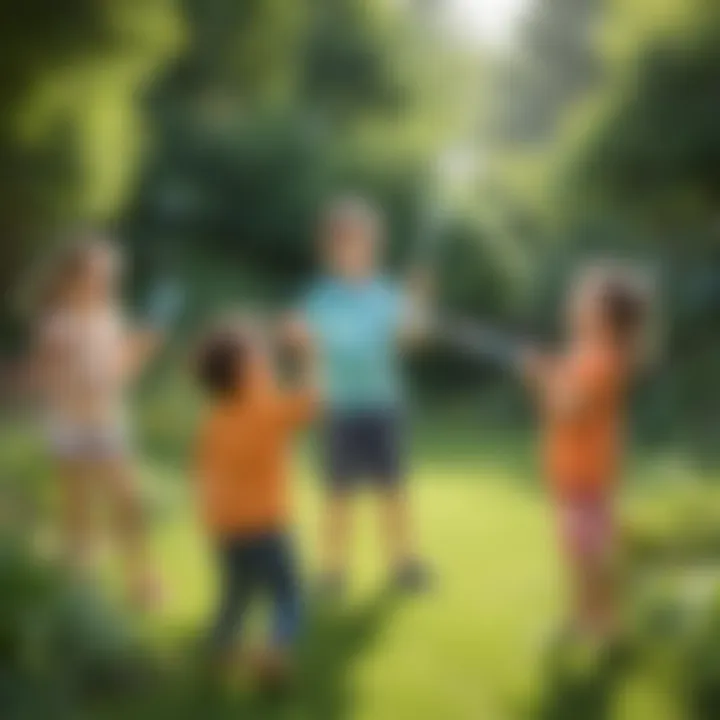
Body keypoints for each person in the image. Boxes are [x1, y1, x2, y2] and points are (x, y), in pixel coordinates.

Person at [288, 196, 431, 598]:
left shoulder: (386, 295)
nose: (354, 247)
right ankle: (332, 572)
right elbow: (305, 344)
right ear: (331, 250)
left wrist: (417, 303)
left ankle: (405, 565)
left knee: (393, 489)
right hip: (338, 407)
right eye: (345, 240)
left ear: (374, 245)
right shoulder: (320, 297)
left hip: (383, 404)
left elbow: (411, 340)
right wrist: (300, 343)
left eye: (363, 240)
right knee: (338, 492)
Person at [31, 234, 163, 607]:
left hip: (108, 425)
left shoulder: (110, 317)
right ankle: (79, 583)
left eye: (111, 275)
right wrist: (79, 382)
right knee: (78, 509)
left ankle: (141, 579)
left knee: (127, 504)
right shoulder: (56, 324)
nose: (106, 282)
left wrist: (140, 352)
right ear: (73, 277)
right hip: (71, 428)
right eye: (99, 274)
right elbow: (49, 382)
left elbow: (119, 376)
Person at [522, 266, 651, 644]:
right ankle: (582, 619)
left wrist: (538, 379)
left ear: (605, 318)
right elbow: (568, 392)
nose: (575, 302)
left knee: (590, 553)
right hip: (574, 470)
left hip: (586, 473)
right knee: (579, 551)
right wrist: (551, 373)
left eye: (585, 298)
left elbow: (568, 410)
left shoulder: (601, 360)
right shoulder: (589, 353)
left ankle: (606, 625)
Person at [194, 319, 317, 682]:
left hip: (225, 527)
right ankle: (275, 648)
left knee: (235, 595)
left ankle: (221, 648)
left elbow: (205, 476)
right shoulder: (266, 408)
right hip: (266, 526)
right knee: (288, 595)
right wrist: (309, 352)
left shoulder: (214, 420)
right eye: (259, 358)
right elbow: (312, 402)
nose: (267, 361)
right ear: (245, 371)